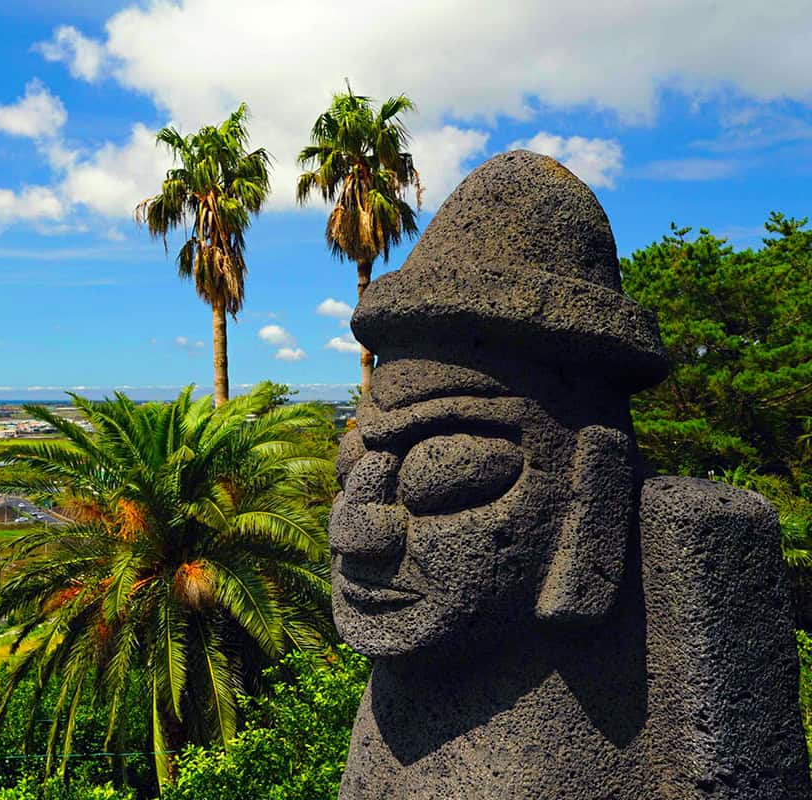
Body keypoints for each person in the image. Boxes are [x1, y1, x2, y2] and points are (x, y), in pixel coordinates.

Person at [332, 151, 809, 799]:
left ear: (592, 482)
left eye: (444, 477)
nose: (354, 534)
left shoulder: (679, 572)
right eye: (351, 466)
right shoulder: (411, 668)